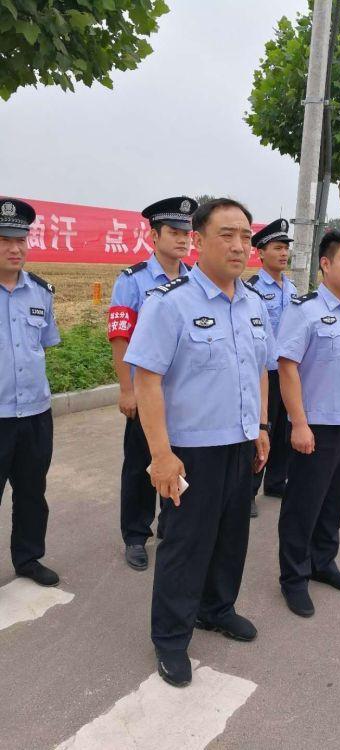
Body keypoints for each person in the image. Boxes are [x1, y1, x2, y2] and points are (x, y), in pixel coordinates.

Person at [124, 198, 274, 687]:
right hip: (190, 450)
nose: (238, 245)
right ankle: (170, 638)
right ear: (201, 239)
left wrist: (262, 427)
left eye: (246, 236)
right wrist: (161, 455)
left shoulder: (254, 304)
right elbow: (146, 380)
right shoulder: (171, 303)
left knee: (233, 534)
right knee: (185, 544)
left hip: (240, 443)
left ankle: (217, 608)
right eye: (226, 234)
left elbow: (260, 371)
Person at [276, 229, 340, 618]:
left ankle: (323, 562)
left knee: (335, 500)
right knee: (303, 504)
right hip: (314, 426)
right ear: (326, 263)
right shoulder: (304, 311)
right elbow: (287, 369)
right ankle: (294, 577)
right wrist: (298, 424)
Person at [107, 196, 197, 571]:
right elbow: (120, 338)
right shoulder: (132, 281)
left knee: (180, 462)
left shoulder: (195, 280)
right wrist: (127, 390)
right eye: (174, 233)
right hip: (147, 392)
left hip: (186, 395)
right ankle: (135, 535)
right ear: (153, 235)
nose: (182, 240)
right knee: (141, 464)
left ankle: (171, 529)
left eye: (187, 233)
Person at [0, 198, 61, 586]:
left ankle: (28, 558)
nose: (15, 248)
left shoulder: (40, 292)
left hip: (35, 414)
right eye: (5, 239)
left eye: (21, 239)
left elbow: (44, 345)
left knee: (31, 494)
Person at [246, 218, 297, 517]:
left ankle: (276, 481)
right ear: (261, 253)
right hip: (263, 373)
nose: (283, 253)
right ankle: (249, 490)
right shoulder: (251, 288)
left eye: (285, 248)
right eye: (277, 248)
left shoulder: (291, 287)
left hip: (288, 373)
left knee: (283, 431)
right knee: (261, 428)